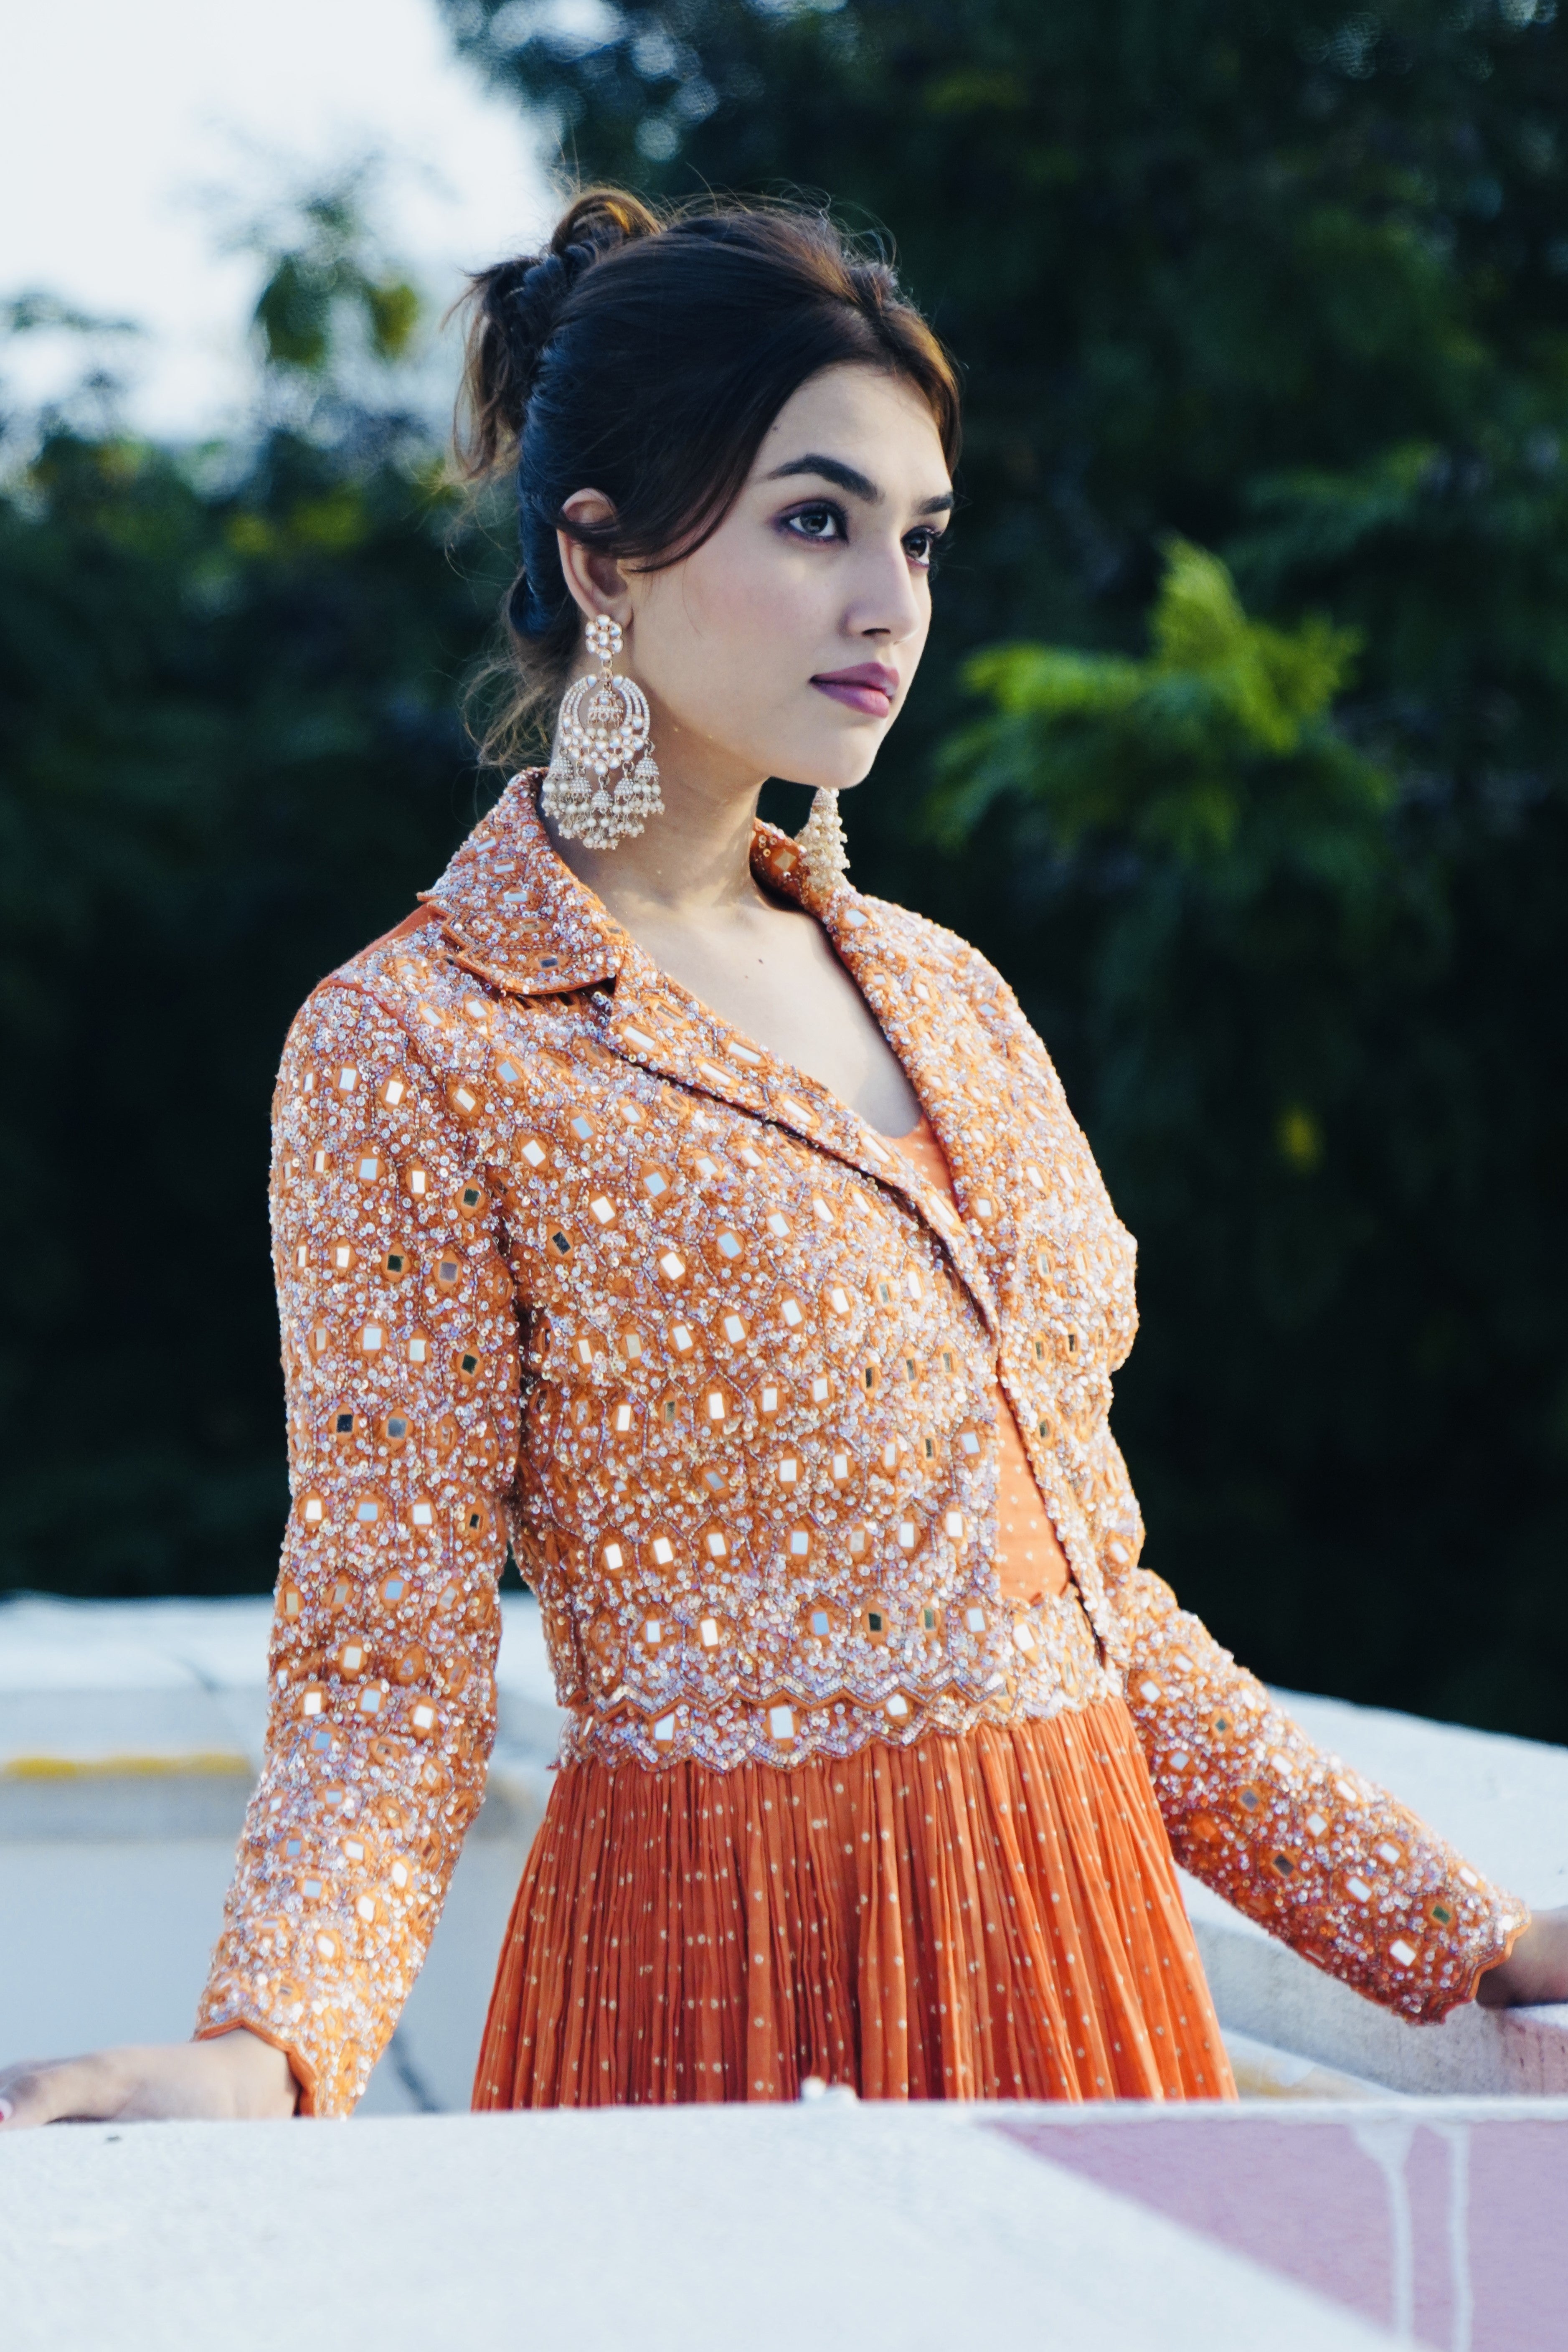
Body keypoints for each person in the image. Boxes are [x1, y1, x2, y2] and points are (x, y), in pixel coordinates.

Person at [5, 189, 1565, 2129]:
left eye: (919, 538)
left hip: (1090, 1990)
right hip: (725, 2002)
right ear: (604, 559)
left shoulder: (952, 1000)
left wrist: (1474, 1933)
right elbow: (387, 1667)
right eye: (815, 521)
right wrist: (273, 2041)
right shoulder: (414, 1044)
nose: (889, 600)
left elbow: (1097, 1610)